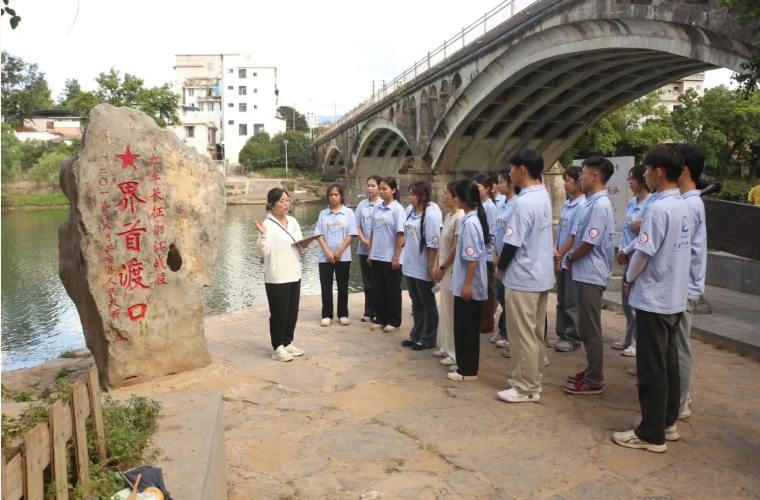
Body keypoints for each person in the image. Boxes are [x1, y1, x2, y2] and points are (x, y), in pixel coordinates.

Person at [613, 145, 691, 453]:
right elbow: (647, 242)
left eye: (646, 170)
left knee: (651, 368)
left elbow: (645, 250)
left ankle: (650, 433)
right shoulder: (680, 204)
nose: (644, 175)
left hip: (654, 298)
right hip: (672, 297)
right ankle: (666, 422)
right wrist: (629, 252)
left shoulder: (659, 208)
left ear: (658, 172)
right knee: (668, 363)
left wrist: (629, 279)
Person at [496, 149, 553, 403]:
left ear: (522, 170)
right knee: (535, 332)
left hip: (522, 275)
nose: (509, 173)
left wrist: (499, 268)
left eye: (511, 169)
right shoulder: (542, 194)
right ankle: (530, 377)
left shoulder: (522, 202)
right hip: (539, 273)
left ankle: (526, 388)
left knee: (522, 334)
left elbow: (512, 243)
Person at [564, 156, 615, 396]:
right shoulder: (591, 203)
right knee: (586, 327)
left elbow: (589, 242)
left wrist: (570, 257)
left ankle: (595, 378)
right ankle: (591, 369)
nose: (580, 177)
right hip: (585, 273)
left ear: (595, 177)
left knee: (591, 329)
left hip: (592, 274)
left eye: (583, 173)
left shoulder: (600, 205)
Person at [255, 188, 315, 362]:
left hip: (294, 273)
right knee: (279, 313)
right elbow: (262, 251)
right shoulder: (267, 225)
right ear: (271, 205)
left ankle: (288, 342)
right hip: (277, 275)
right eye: (281, 201)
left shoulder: (293, 221)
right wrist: (263, 235)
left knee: (291, 312)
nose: (286, 204)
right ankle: (277, 347)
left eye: (287, 200)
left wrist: (306, 243)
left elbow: (299, 247)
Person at [674, 144, 707, 420]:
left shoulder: (688, 204)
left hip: (681, 289)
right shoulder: (687, 202)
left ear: (682, 169)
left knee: (678, 347)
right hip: (679, 287)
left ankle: (680, 402)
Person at [447, 180, 489, 381]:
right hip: (465, 282)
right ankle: (463, 364)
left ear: (462, 198)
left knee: (467, 328)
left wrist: (467, 284)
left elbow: (472, 259)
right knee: (463, 327)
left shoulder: (470, 223)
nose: (454, 199)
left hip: (468, 285)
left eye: (456, 195)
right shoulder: (470, 220)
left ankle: (468, 370)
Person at [613, 165, 652, 356]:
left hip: (638, 256)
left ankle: (636, 343)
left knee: (636, 302)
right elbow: (627, 229)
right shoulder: (631, 202)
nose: (630, 182)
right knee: (627, 302)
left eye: (632, 179)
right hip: (626, 257)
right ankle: (628, 337)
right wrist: (621, 250)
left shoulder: (650, 204)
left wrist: (627, 251)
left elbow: (644, 235)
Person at [400, 182, 442, 350]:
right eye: (409, 194)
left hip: (423, 265)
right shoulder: (410, 211)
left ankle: (428, 338)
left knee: (427, 303)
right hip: (410, 264)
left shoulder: (431, 215)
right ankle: (416, 334)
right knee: (416, 302)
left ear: (423, 196)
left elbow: (433, 244)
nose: (410, 197)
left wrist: (431, 266)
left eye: (413, 194)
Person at [548, 166, 586, 353]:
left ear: (578, 181)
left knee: (572, 301)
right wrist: (555, 249)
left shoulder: (582, 205)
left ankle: (573, 336)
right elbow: (561, 231)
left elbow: (573, 236)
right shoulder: (567, 204)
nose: (564, 184)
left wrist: (561, 253)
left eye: (568, 180)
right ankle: (562, 333)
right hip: (561, 258)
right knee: (561, 299)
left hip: (570, 260)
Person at [316, 183, 358, 327]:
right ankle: (327, 314)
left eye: (336, 195)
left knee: (343, 285)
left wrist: (339, 251)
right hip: (325, 257)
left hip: (343, 256)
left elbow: (351, 233)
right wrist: (327, 252)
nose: (333, 197)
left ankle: (343, 314)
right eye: (331, 195)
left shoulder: (348, 213)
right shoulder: (323, 214)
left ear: (341, 196)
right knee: (326, 286)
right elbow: (319, 235)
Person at [368, 177, 406, 333]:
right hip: (377, 255)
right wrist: (370, 253)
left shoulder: (398, 210)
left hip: (391, 257)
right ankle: (381, 318)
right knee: (378, 289)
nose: (382, 192)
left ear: (393, 190)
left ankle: (394, 321)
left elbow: (401, 235)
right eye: (381, 189)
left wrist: (396, 257)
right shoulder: (377, 209)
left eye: (385, 189)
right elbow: (371, 232)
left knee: (393, 290)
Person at [433, 182, 464, 367]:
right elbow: (442, 246)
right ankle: (445, 346)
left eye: (446, 194)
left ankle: (453, 353)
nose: (443, 197)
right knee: (444, 310)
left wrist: (443, 266)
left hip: (451, 269)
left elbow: (456, 247)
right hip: (443, 267)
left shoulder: (460, 218)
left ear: (455, 197)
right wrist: (436, 263)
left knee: (451, 311)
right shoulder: (449, 216)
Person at [491, 169, 520, 349]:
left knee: (510, 300)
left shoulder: (518, 204)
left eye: (501, 182)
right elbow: (497, 232)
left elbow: (512, 237)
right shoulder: (503, 204)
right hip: (499, 258)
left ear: (511, 184)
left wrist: (500, 260)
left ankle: (509, 335)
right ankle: (504, 330)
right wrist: (494, 253)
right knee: (501, 295)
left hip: (509, 261)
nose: (498, 185)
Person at [355, 175, 383, 322]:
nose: (369, 188)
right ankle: (368, 311)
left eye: (373, 186)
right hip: (364, 249)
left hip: (379, 252)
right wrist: (364, 240)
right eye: (368, 185)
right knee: (367, 283)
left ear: (379, 187)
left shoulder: (383, 205)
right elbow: (357, 225)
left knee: (378, 283)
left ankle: (378, 311)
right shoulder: (362, 205)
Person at [473, 173, 497, 334]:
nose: (475, 190)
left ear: (488, 189)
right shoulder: (479, 206)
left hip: (486, 255)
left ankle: (487, 324)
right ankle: (480, 321)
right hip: (479, 255)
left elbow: (493, 234)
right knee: (479, 289)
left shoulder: (490, 208)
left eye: (478, 187)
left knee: (487, 290)